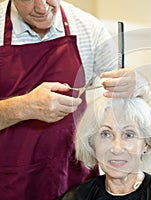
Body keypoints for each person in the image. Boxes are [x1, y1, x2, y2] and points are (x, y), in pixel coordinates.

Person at [0, 0, 141, 199]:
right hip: (8, 183)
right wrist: (23, 107)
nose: (41, 7)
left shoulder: (88, 29)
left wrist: (137, 86)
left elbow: (134, 100)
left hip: (74, 182)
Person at [57, 94, 151, 200]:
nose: (117, 148)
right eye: (106, 134)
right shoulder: (76, 197)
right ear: (92, 143)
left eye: (128, 134)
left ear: (146, 144)